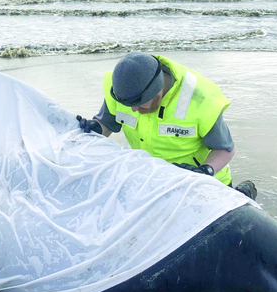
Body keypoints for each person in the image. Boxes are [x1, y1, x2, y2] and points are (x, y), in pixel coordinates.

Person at [77, 52, 256, 200]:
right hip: (155, 180)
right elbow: (107, 123)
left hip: (206, 181)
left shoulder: (201, 100)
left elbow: (225, 149)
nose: (133, 109)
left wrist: (204, 172)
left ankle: (245, 190)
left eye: (139, 104)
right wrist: (95, 128)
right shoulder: (123, 89)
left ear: (158, 91)